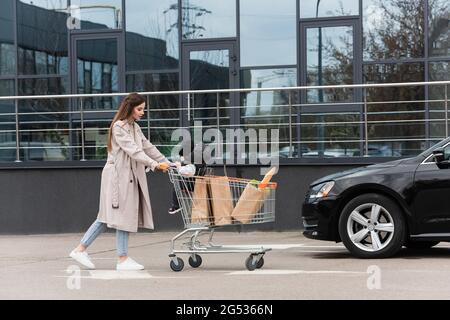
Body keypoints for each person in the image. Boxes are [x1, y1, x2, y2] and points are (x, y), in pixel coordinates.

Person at [69, 93, 170, 271]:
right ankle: (112, 256)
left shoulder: (135, 127)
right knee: (113, 215)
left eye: (143, 109)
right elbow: (134, 151)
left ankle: (90, 251)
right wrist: (155, 165)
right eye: (139, 109)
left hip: (127, 176)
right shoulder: (119, 127)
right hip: (117, 177)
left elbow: (147, 147)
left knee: (116, 216)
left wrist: (167, 162)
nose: (142, 112)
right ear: (130, 108)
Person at [168, 141, 209, 214]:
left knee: (177, 185)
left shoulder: (191, 164)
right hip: (195, 182)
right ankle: (177, 205)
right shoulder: (198, 161)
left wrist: (178, 167)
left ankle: (176, 205)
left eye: (182, 156)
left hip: (190, 184)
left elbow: (186, 172)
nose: (181, 158)